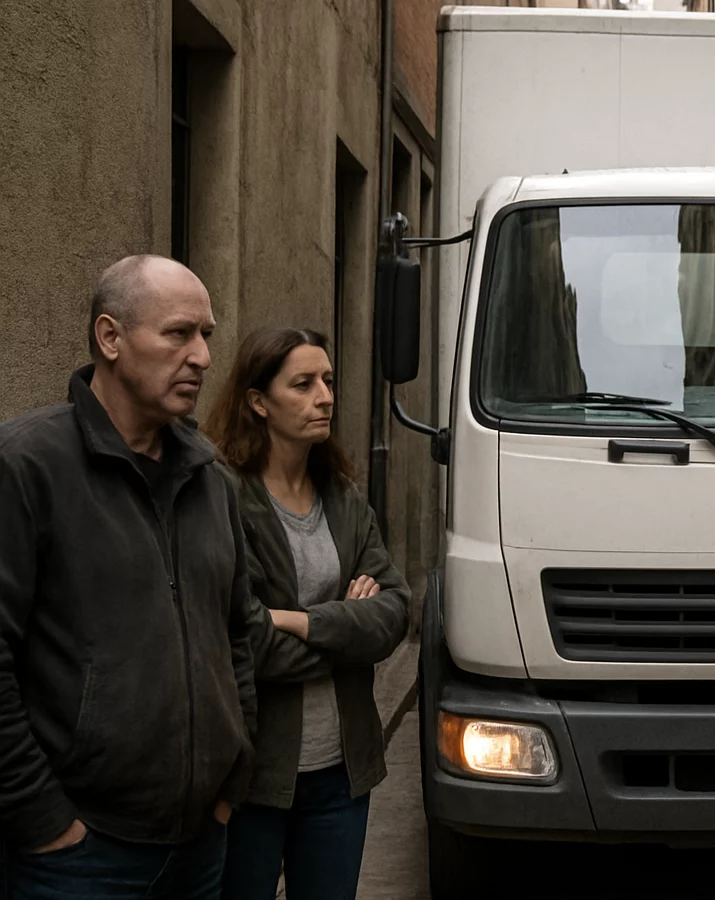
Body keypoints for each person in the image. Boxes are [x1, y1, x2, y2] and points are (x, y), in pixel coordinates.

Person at [0, 255, 260, 898]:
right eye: (179, 334)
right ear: (110, 338)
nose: (203, 357)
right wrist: (41, 820)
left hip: (200, 847)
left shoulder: (212, 480)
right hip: (77, 859)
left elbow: (235, 635)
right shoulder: (27, 466)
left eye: (206, 335)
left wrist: (231, 780)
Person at [207, 325, 409, 900]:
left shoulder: (343, 497)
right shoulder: (225, 496)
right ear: (258, 402)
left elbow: (395, 611)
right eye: (303, 384)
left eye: (328, 380)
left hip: (343, 773)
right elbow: (246, 640)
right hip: (255, 773)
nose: (325, 396)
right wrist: (348, 632)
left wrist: (301, 620)